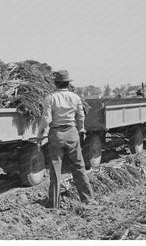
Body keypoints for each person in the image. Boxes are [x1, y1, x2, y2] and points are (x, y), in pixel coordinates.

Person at [37, 70, 94, 208]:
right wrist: (81, 128)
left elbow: (46, 118)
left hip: (56, 134)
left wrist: (40, 133)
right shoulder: (75, 97)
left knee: (55, 169)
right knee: (79, 166)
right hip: (72, 132)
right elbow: (81, 116)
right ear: (68, 83)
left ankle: (54, 203)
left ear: (55, 83)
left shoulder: (50, 98)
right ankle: (88, 199)